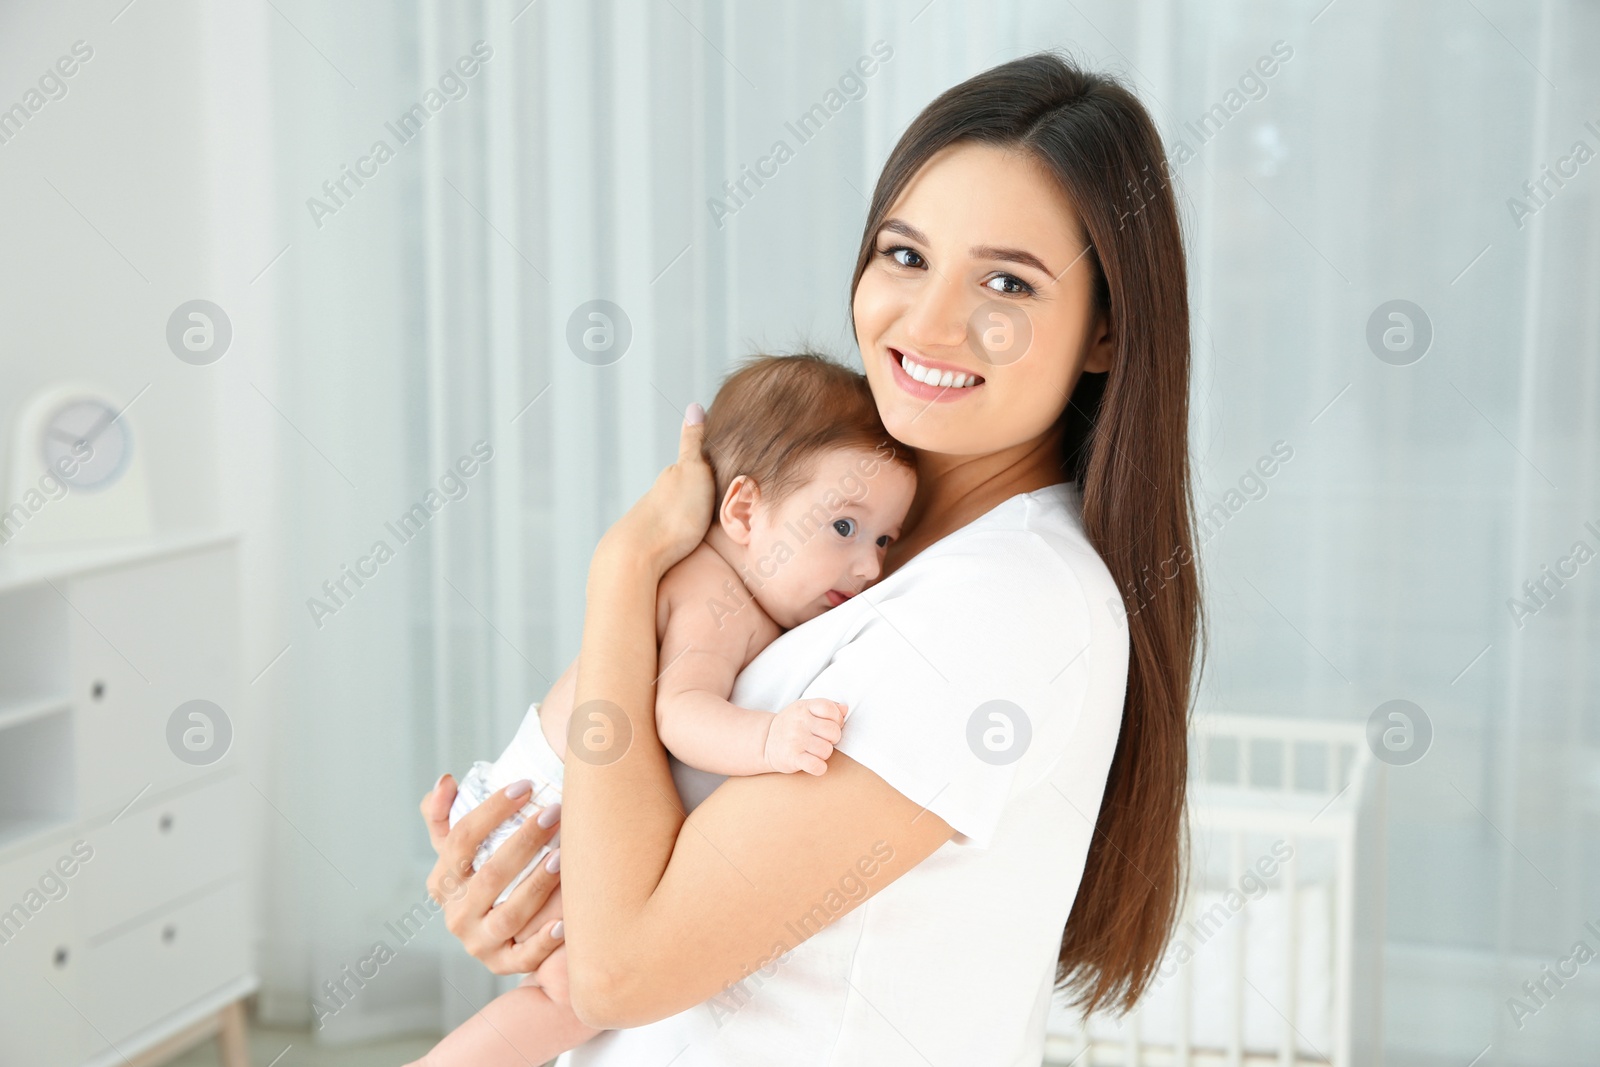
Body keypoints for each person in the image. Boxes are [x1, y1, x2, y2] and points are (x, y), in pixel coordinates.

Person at [419, 51, 1201, 1065]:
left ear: (1105, 330)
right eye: (904, 255)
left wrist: (622, 568)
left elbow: (624, 971)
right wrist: (524, 893)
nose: (925, 322)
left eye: (1005, 281)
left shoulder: (1002, 602)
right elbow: (620, 846)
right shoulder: (850, 545)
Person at [416, 354, 917, 1064]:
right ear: (743, 509)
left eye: (884, 540)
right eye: (843, 526)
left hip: (538, 797)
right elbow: (679, 712)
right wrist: (770, 738)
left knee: (566, 990)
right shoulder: (718, 600)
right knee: (572, 996)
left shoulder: (735, 587)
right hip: (547, 810)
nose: (868, 565)